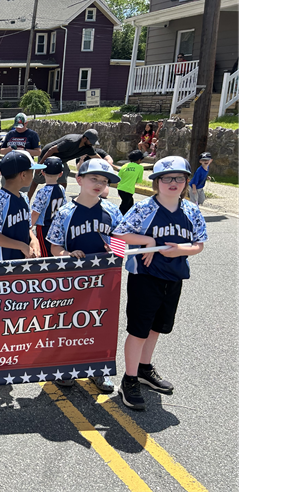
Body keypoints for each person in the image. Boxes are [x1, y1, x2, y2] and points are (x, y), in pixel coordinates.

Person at [111, 156, 208, 411]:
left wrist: (181, 250)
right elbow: (117, 235)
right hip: (146, 278)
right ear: (156, 183)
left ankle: (144, 369)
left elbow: (199, 244)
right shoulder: (144, 209)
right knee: (139, 330)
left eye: (179, 178)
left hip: (174, 278)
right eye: (166, 178)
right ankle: (129, 379)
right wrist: (148, 242)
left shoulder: (191, 210)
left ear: (187, 181)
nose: (173, 183)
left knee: (157, 328)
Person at [46, 158, 124, 394]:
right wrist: (68, 254)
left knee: (102, 325)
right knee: (71, 323)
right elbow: (55, 247)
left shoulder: (112, 210)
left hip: (105, 281)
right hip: (73, 282)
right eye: (93, 179)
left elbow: (121, 243)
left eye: (104, 180)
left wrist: (116, 250)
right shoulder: (65, 212)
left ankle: (99, 370)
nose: (99, 184)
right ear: (78, 180)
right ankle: (66, 367)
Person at [0, 151, 44, 261]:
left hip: (21, 261)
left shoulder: (24, 198)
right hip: (1, 263)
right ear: (23, 175)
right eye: (32, 171)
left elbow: (27, 227)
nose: (33, 175)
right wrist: (22, 246)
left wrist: (33, 239)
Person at [29, 129, 104, 198]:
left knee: (63, 181)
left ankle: (59, 203)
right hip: (49, 156)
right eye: (91, 142)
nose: (92, 144)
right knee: (37, 180)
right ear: (84, 139)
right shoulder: (71, 142)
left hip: (61, 160)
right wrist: (41, 165)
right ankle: (27, 200)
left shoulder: (88, 148)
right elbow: (51, 150)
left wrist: (105, 166)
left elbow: (98, 158)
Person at [30, 157, 68, 250]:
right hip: (56, 225)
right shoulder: (61, 188)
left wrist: (29, 227)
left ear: (43, 173)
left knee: (43, 251)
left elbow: (36, 212)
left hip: (44, 226)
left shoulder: (43, 192)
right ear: (60, 174)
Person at [117, 150, 145, 216]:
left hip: (120, 188)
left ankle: (128, 217)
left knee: (129, 204)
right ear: (139, 160)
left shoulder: (124, 165)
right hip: (129, 189)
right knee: (124, 206)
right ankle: (118, 217)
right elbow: (139, 181)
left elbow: (119, 177)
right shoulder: (140, 167)